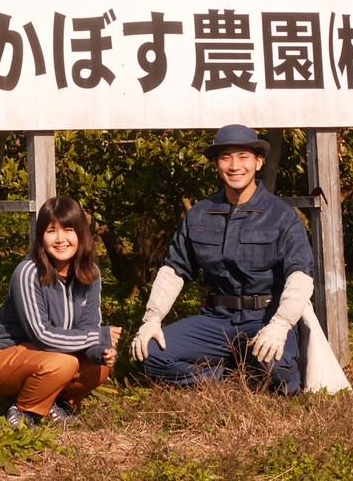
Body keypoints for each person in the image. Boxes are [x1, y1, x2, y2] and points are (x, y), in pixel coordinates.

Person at [131, 124, 314, 395]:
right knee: (150, 354)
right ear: (217, 164)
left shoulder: (282, 215)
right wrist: (152, 319)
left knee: (276, 371)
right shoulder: (199, 214)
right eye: (226, 157)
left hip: (264, 318)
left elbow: (300, 274)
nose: (234, 166)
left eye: (243, 157)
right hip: (217, 321)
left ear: (258, 162)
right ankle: (225, 377)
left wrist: (281, 324)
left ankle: (259, 368)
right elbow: (174, 269)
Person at [0, 196, 121, 426]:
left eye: (68, 230)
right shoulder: (28, 272)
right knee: (64, 364)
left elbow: (88, 327)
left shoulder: (91, 273)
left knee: (99, 367)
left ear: (81, 233)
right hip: (1, 357)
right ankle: (24, 411)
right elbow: (42, 335)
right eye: (51, 231)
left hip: (52, 355)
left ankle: (56, 404)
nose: (60, 239)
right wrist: (98, 336)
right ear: (41, 236)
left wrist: (101, 351)